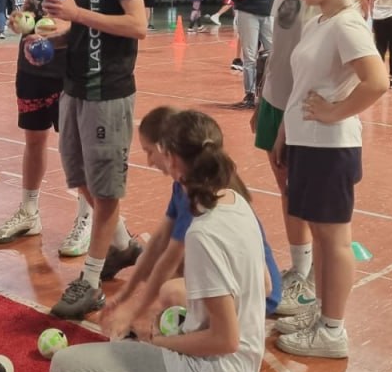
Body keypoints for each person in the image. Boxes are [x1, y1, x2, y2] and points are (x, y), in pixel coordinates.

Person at [50, 108, 267, 372]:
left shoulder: (204, 234)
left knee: (66, 370)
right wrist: (133, 306)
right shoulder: (234, 200)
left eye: (154, 152)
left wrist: (160, 343)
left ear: (171, 157)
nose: (151, 161)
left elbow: (224, 339)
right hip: (239, 368)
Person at [33, 0, 147, 319]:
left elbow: (137, 25)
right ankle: (123, 245)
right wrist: (51, 40)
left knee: (105, 189)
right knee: (81, 180)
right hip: (74, 88)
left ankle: (92, 281)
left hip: (108, 92)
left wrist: (77, 14)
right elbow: (81, 28)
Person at [272, 0, 388, 359]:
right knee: (321, 237)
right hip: (307, 142)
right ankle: (321, 313)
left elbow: (376, 81)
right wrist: (285, 130)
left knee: (334, 239)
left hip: (329, 147)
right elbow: (303, 85)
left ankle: (333, 330)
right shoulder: (319, 20)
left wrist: (335, 112)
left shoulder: (347, 24)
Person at [102, 106, 280, 342]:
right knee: (155, 266)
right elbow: (158, 243)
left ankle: (214, 329)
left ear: (167, 152)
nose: (149, 162)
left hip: (257, 291)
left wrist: (133, 311)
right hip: (243, 279)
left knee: (170, 291)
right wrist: (124, 296)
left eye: (149, 152)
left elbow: (170, 258)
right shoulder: (185, 184)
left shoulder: (200, 196)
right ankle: (207, 323)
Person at [0, 0, 92, 249]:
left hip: (69, 68)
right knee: (33, 139)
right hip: (31, 66)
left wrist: (63, 28)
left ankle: (86, 218)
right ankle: (29, 212)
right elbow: (30, 6)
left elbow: (86, 14)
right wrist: (21, 20)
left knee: (75, 146)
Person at [254, 0, 328, 322]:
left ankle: (311, 280)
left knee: (305, 194)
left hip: (300, 109)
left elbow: (316, 61)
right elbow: (279, 47)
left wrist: (290, 118)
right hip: (274, 100)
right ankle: (299, 270)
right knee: (286, 190)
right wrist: (262, 98)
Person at [226, 0, 278, 107]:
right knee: (250, 55)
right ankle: (249, 94)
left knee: (272, 52)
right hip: (248, 13)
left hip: (268, 13)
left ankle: (270, 92)